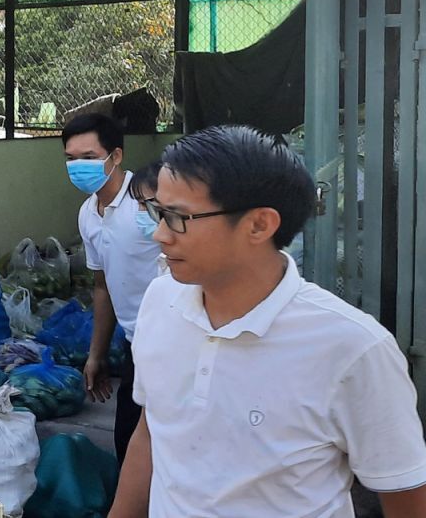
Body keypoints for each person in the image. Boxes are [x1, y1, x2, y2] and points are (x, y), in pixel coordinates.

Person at [111, 126, 426, 517]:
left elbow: (403, 491)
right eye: (158, 212)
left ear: (259, 225)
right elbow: (151, 432)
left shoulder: (353, 347)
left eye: (176, 217)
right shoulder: (161, 301)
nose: (159, 234)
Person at [62, 113, 160, 467]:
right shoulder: (88, 213)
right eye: (71, 158)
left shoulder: (148, 201)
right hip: (136, 342)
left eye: (89, 157)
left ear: (115, 156)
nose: (78, 166)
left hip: (173, 338)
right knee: (128, 441)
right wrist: (97, 355)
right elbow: (102, 286)